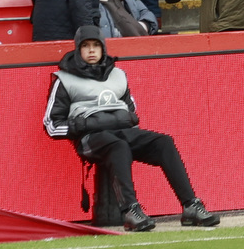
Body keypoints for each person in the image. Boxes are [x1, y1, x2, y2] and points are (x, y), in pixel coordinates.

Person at [44, 27, 221, 229]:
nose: (91, 50)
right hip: (90, 139)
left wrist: (114, 120)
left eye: (96, 46)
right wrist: (83, 126)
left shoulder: (118, 75)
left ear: (103, 48)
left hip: (120, 132)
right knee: (117, 145)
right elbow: (52, 125)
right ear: (78, 50)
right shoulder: (63, 78)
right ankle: (131, 211)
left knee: (164, 142)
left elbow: (132, 114)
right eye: (85, 46)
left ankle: (191, 206)